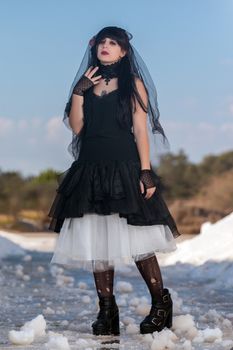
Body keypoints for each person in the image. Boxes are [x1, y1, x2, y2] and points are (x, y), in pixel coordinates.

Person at [47, 26, 182, 336]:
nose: (106, 47)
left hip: (124, 168)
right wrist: (79, 92)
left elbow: (140, 129)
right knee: (98, 242)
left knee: (138, 241)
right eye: (102, 42)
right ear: (94, 48)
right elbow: (78, 128)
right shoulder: (85, 85)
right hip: (90, 169)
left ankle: (161, 304)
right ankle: (107, 312)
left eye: (113, 43)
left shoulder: (133, 84)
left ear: (123, 51)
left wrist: (145, 171)